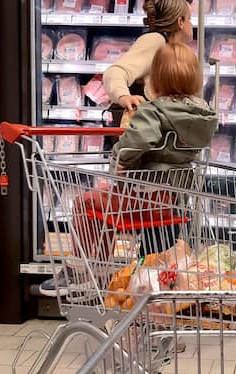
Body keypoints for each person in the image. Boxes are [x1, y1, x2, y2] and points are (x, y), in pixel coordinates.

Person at [41, 42, 217, 309]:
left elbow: (136, 142)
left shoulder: (154, 111)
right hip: (173, 200)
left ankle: (84, 270)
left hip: (143, 197)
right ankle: (115, 277)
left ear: (156, 80)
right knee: (113, 218)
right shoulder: (202, 115)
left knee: (85, 203)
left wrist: (119, 161)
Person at [103, 0, 194, 113]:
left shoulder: (173, 48)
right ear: (180, 22)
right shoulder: (155, 40)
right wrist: (123, 96)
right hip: (142, 121)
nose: (192, 25)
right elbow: (115, 71)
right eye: (190, 19)